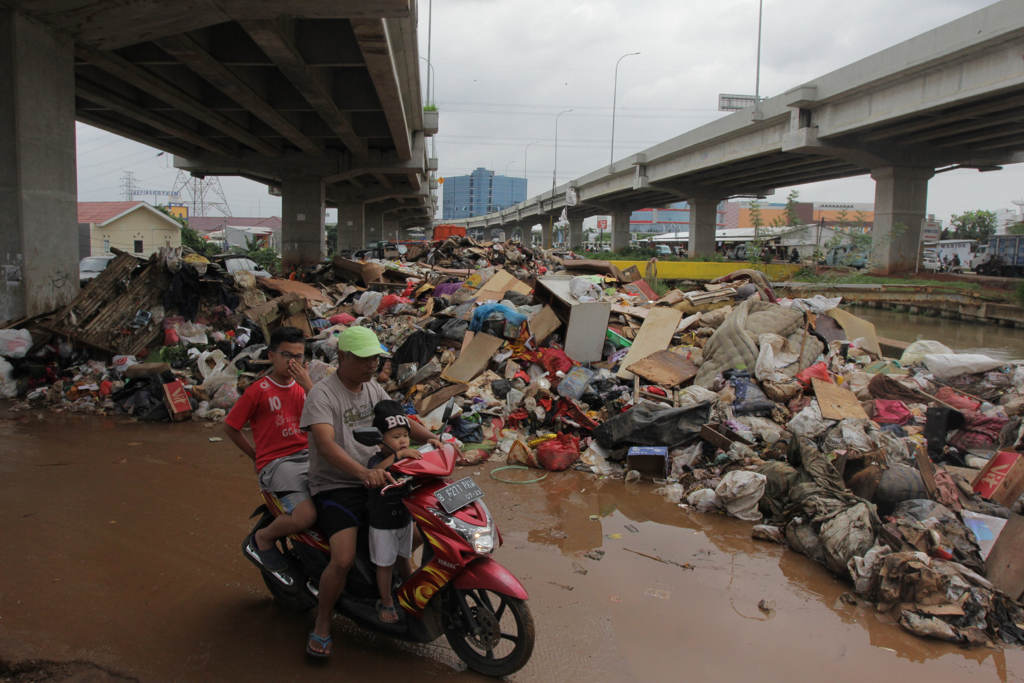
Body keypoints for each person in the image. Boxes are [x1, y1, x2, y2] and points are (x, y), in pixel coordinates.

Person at [300, 326, 441, 658]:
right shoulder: (322, 395)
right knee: (343, 558)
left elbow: (400, 422)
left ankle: (386, 581)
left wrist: (431, 438)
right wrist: (363, 472)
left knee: (418, 530)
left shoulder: (373, 389)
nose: (372, 366)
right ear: (343, 357)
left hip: (381, 474)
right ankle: (322, 624)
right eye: (364, 360)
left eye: (376, 359)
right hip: (337, 484)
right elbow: (325, 444)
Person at [225, 326, 315, 576]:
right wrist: (256, 457)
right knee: (305, 516)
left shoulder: (304, 387)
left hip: (309, 457)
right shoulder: (258, 391)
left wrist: (308, 385)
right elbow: (230, 427)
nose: (293, 362)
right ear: (271, 355)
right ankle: (263, 538)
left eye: (298, 356)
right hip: (278, 463)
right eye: (287, 355)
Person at [366, 400, 421, 624]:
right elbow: (373, 472)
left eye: (405, 435)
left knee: (404, 558)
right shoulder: (377, 460)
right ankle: (386, 599)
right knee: (385, 565)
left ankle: (410, 593)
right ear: (380, 441)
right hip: (383, 523)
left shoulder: (409, 457)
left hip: (403, 518)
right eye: (395, 436)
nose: (402, 441)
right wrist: (397, 457)